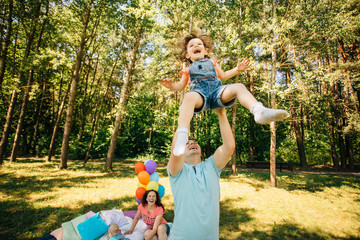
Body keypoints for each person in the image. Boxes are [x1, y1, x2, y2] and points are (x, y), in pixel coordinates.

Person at [160, 31, 289, 156]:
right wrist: (171, 86)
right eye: (192, 45)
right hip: (200, 96)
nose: (196, 46)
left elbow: (223, 76)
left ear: (205, 51)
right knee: (188, 96)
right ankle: (182, 135)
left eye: (199, 44)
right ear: (188, 55)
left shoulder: (213, 63)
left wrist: (237, 69)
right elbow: (180, 86)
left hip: (217, 93)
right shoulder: (187, 69)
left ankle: (259, 111)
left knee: (239, 86)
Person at [167, 108, 235, 240]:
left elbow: (229, 146)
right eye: (187, 143)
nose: (192, 143)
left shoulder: (211, 166)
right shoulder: (177, 171)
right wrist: (188, 108)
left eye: (194, 142)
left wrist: (221, 113)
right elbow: (176, 150)